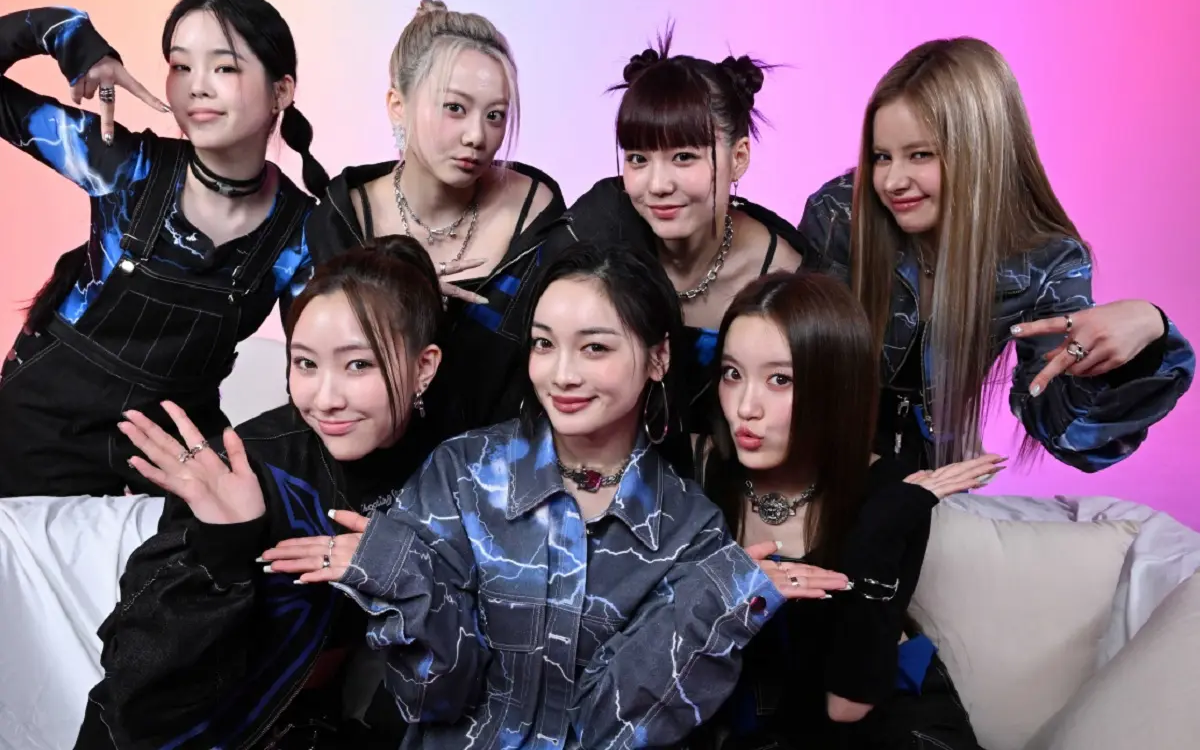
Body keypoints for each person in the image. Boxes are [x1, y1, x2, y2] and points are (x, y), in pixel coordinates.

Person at [329, 243, 849, 749]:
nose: (561, 375)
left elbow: (613, 731)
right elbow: (432, 696)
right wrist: (402, 580)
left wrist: (714, 607)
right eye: (543, 344)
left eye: (595, 347)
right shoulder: (463, 473)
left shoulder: (691, 529)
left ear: (659, 357)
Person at [75, 235, 442, 749]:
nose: (325, 399)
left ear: (424, 367)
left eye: (359, 365)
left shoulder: (450, 468)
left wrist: (401, 570)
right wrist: (225, 546)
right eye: (306, 363)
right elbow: (138, 692)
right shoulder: (245, 468)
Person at [798, 37, 1194, 473]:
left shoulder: (1045, 261)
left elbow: (1069, 434)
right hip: (813, 458)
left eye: (920, 155)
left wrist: (1149, 329)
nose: (892, 181)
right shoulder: (840, 213)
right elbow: (789, 361)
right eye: (881, 157)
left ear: (982, 152)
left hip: (932, 479)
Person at [0, 0, 328, 497]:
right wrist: (67, 32)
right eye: (180, 66)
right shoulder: (122, 166)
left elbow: (319, 377)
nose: (196, 87)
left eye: (224, 67)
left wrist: (239, 457)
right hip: (43, 429)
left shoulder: (302, 234)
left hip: (175, 452)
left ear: (281, 91)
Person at [306, 0, 609, 476]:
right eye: (455, 108)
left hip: (501, 470)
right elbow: (320, 369)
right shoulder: (341, 218)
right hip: (366, 462)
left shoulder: (536, 211)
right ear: (398, 105)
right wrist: (404, 291)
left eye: (495, 116)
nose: (477, 136)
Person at [701, 271, 989, 749]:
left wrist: (877, 534)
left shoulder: (890, 492)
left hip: (879, 724)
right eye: (733, 374)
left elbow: (847, 705)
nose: (746, 407)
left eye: (780, 379)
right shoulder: (701, 471)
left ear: (836, 386)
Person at [566, 26, 804, 447]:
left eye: (683, 157)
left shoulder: (786, 279)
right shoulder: (600, 225)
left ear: (739, 157)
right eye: (638, 158)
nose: (658, 185)